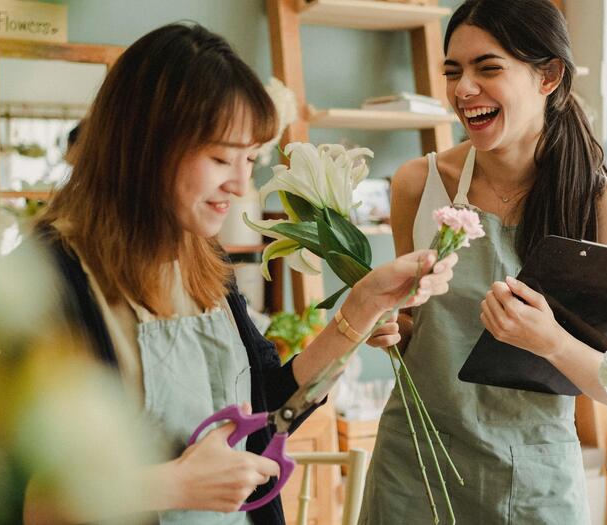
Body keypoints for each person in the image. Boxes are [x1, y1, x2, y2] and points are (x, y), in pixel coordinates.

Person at [25, 23, 457, 525]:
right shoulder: (49, 276)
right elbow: (17, 495)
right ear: (146, 144)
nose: (239, 183)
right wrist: (175, 483)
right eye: (219, 158)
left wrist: (363, 305)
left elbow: (266, 415)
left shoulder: (203, 257)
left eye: (249, 159)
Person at [359, 1, 607, 523]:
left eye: (488, 68)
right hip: (416, 468)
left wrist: (551, 342)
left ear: (549, 76)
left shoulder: (599, 206)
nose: (463, 89)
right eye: (453, 71)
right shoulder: (416, 185)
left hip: (534, 480)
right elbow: (416, 327)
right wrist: (386, 324)